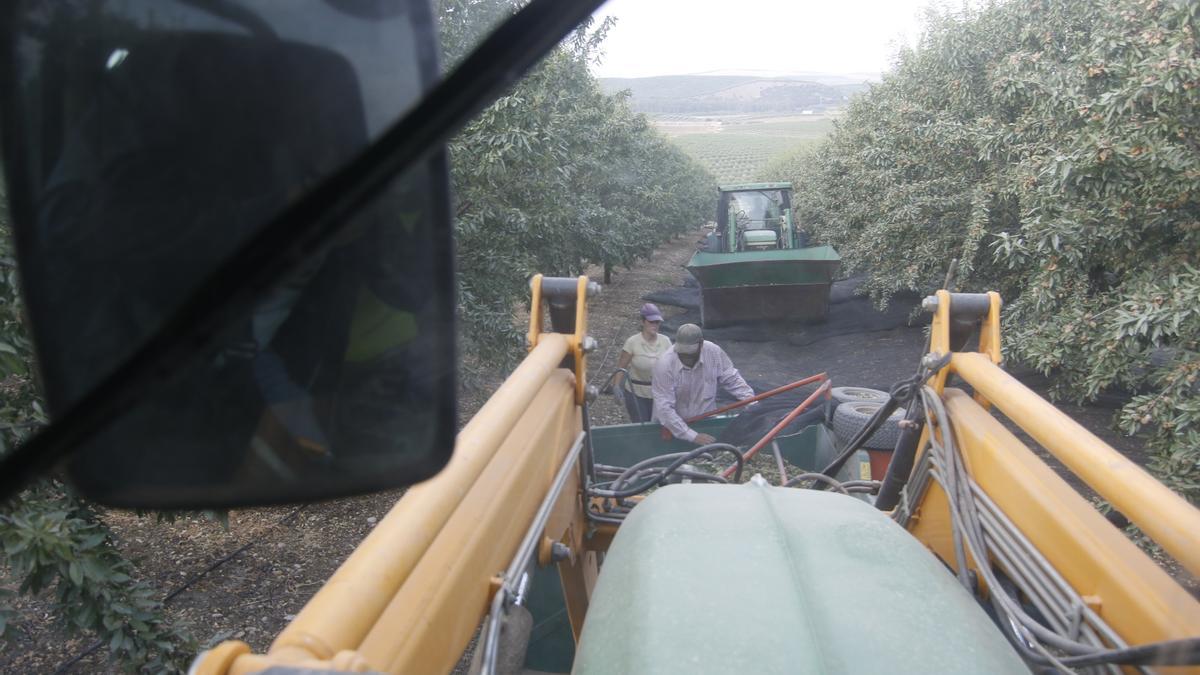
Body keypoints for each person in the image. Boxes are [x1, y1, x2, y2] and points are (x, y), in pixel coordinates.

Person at [652, 323, 755, 445]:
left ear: (701, 344)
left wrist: (751, 403)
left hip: (706, 420)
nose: (685, 357)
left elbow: (732, 378)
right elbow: (664, 408)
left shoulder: (713, 352)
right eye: (682, 353)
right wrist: (692, 436)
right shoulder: (664, 365)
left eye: (690, 353)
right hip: (672, 426)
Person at [610, 303, 672, 422]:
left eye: (657, 322)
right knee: (641, 424)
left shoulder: (665, 342)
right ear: (643, 321)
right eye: (651, 322)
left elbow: (673, 366)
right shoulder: (632, 342)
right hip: (636, 393)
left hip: (659, 393)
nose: (655, 325)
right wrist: (616, 386)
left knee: (659, 426)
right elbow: (621, 366)